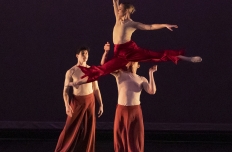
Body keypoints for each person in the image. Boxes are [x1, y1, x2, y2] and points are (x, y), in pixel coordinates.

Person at [71, 0, 202, 87]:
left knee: (156, 55)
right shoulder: (118, 18)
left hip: (130, 50)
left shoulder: (132, 24)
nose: (118, 11)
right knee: (104, 69)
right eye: (118, 9)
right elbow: (115, 1)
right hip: (119, 53)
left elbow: (150, 27)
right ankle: (80, 82)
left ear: (126, 11)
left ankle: (185, 58)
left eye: (120, 9)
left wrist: (164, 25)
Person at [101, 44, 157, 152]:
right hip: (121, 110)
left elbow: (152, 91)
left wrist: (151, 73)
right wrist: (106, 52)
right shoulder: (120, 74)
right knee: (120, 137)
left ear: (137, 64)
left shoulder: (141, 79)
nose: (130, 62)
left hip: (135, 111)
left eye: (133, 60)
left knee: (135, 139)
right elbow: (104, 67)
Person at [55, 46, 104, 152]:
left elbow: (96, 89)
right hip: (77, 101)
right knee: (70, 128)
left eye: (86, 53)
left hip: (90, 101)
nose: (85, 56)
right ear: (77, 55)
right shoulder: (71, 71)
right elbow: (65, 91)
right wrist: (67, 105)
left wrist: (101, 104)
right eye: (83, 53)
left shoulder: (92, 70)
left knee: (89, 129)